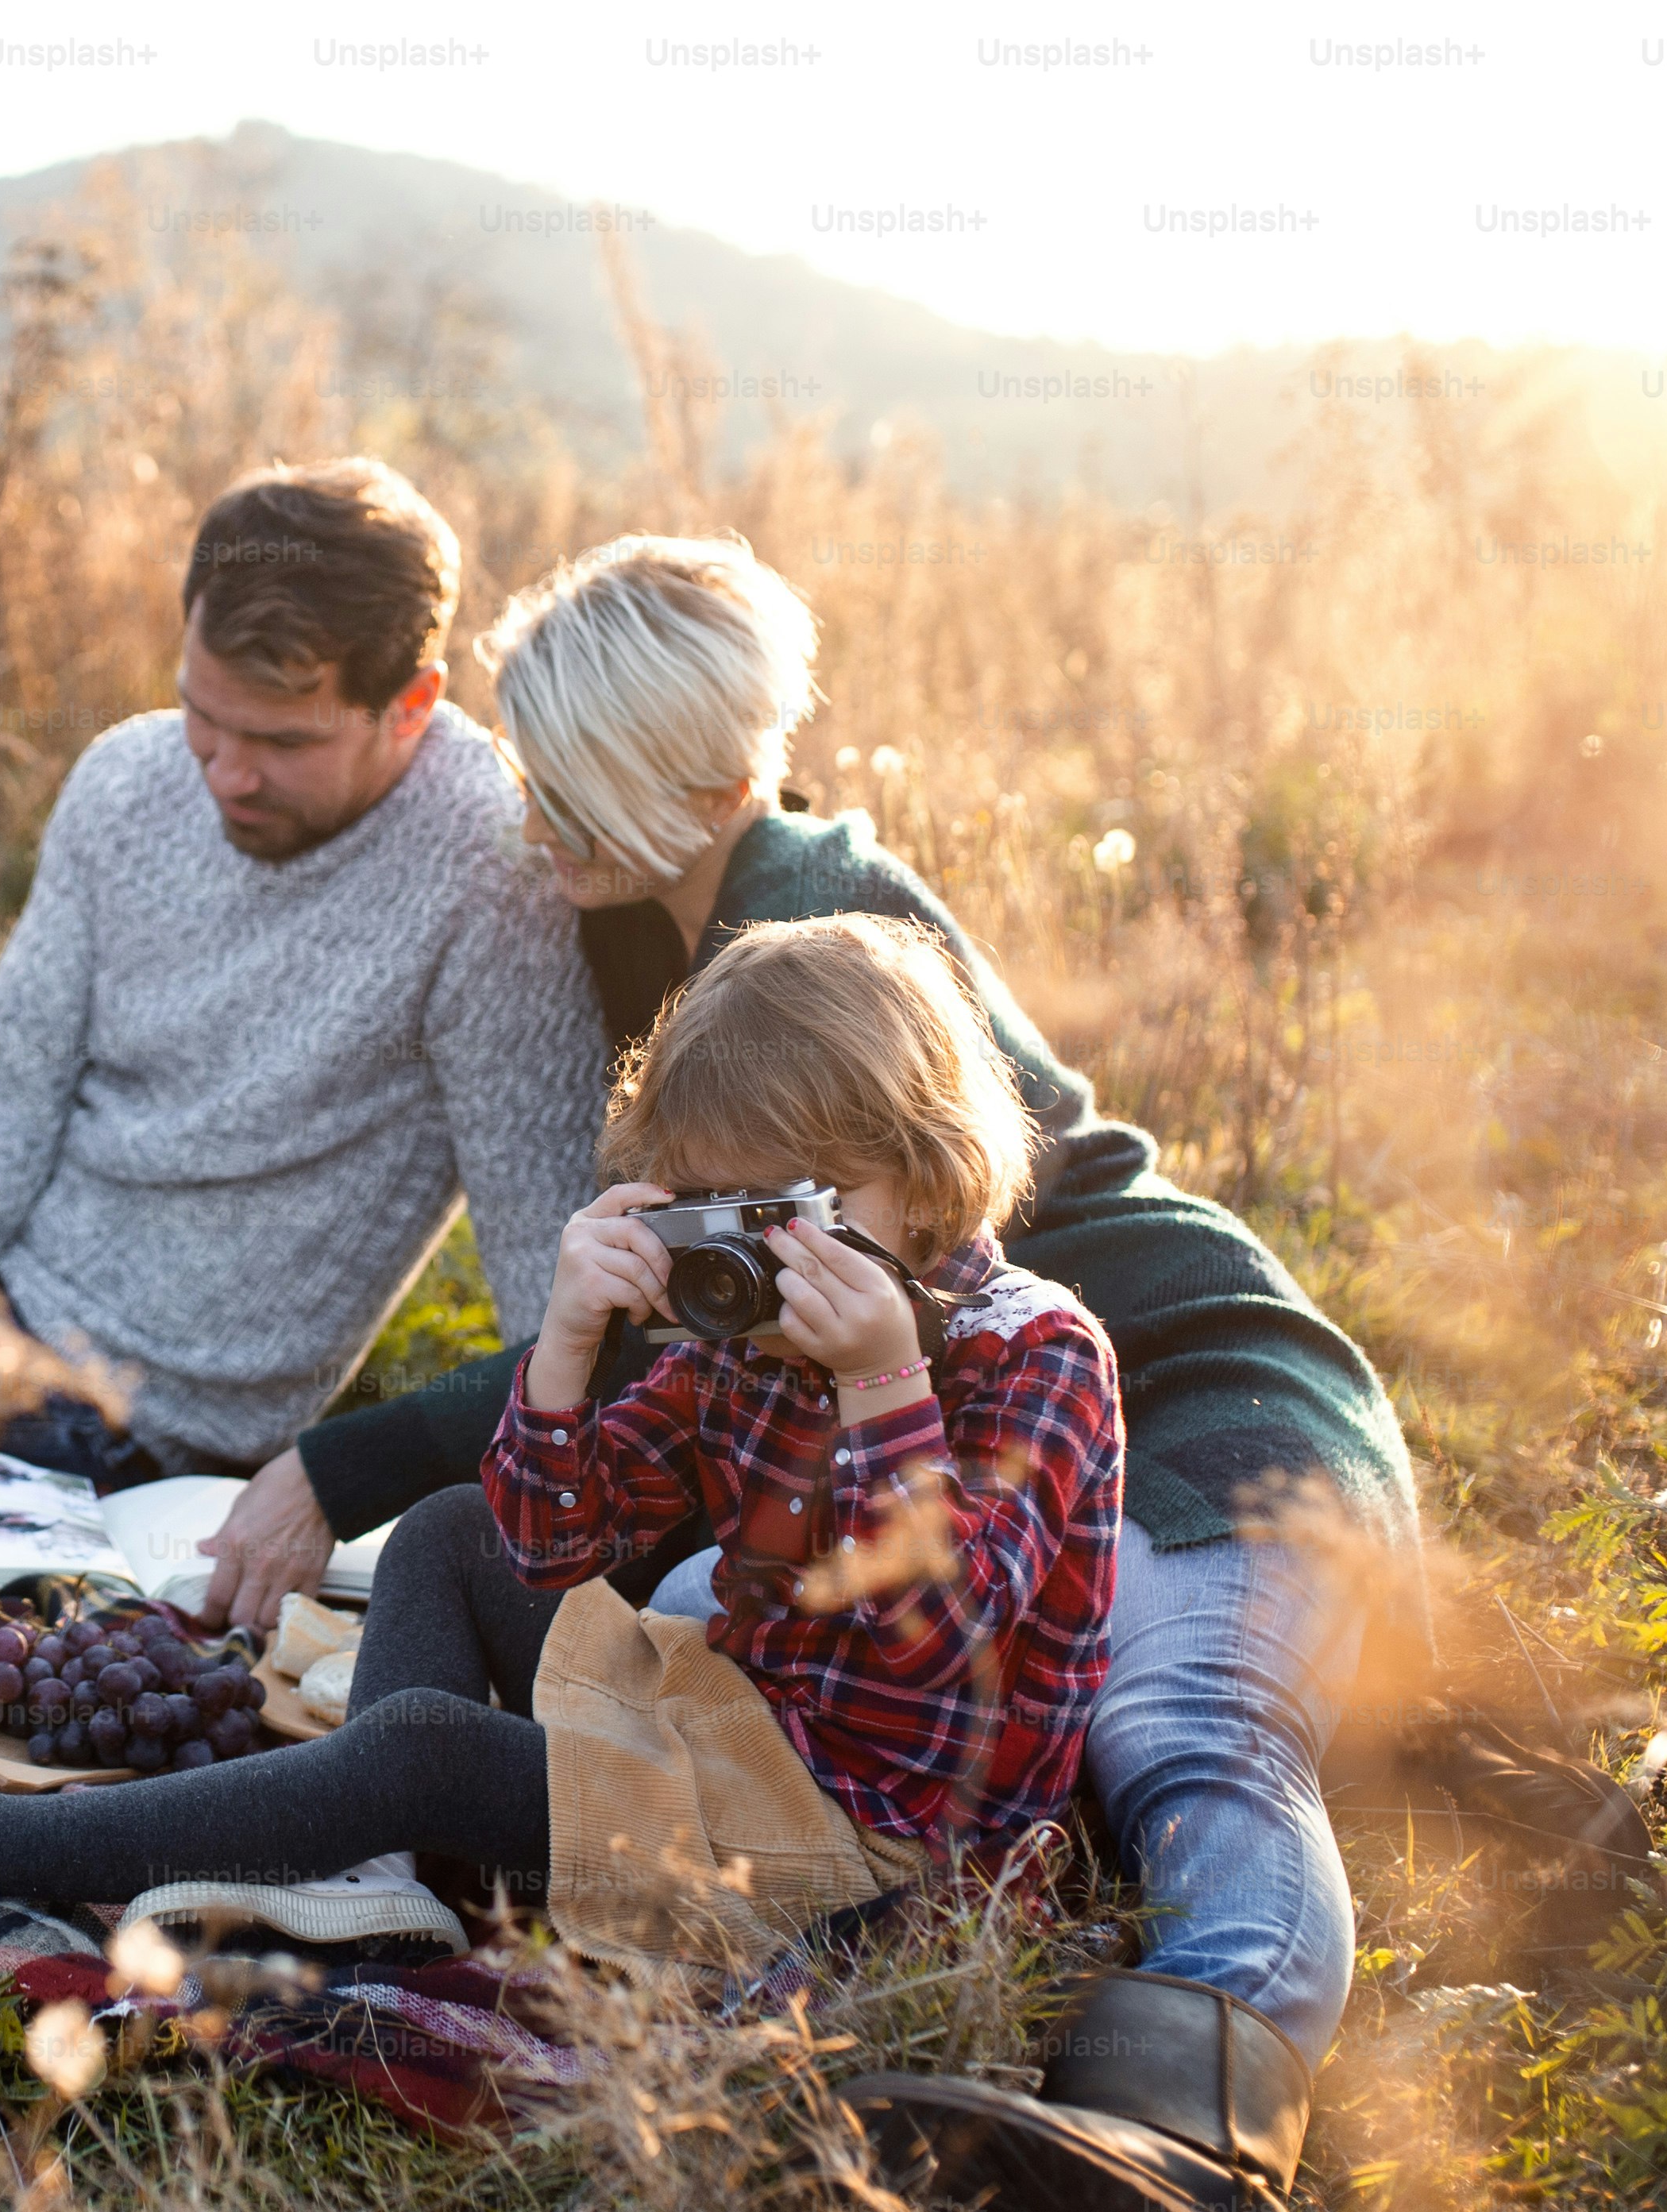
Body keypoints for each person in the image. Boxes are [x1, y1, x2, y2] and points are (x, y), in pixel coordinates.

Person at [187, 534, 1407, 2210]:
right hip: (930, 1431)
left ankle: (1183, 2127)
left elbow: (647, 1332)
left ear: (683, 785)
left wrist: (345, 1460)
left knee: (1179, 1736)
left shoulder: (808, 930)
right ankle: (609, 1887)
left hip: (1196, 1400)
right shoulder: (666, 924)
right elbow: (663, 1371)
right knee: (713, 1613)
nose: (529, 815)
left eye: (567, 780)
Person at [0, 913, 1122, 1976]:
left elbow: (941, 1642)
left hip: (879, 1852)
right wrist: (571, 1347)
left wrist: (885, 1388)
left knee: (424, 1743)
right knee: (453, 1530)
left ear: (926, 1171)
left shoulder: (1033, 1356)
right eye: (718, 1205)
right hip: (749, 1725)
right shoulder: (755, 1338)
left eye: (790, 1205)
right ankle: (373, 1881)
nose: (752, 1253)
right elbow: (550, 1541)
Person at [0, 457, 605, 1488]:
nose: (225, 772)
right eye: (203, 714)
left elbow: (549, 1279)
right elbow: (2, 1087)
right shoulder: (124, 782)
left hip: (148, 1436)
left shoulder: (494, 876)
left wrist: (370, 1483)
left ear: (411, 705)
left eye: (280, 740)